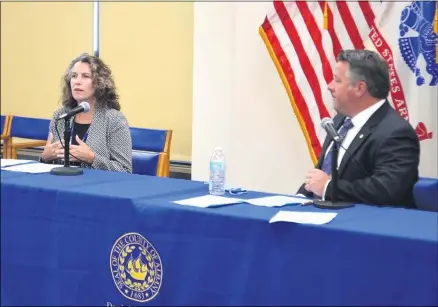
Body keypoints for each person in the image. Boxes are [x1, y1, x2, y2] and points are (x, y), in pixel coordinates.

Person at [297, 49, 420, 208]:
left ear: (360, 88)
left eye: (337, 80)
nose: (330, 86)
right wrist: (299, 198)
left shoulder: (396, 133)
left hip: (368, 226)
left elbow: (386, 190)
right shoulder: (339, 121)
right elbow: (322, 172)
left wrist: (328, 188)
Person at [40, 53, 132, 173]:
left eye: (85, 76)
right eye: (74, 76)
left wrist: (92, 158)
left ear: (99, 83)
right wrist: (44, 157)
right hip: (62, 184)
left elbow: (125, 170)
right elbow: (49, 165)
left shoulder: (114, 119)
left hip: (96, 187)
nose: (77, 82)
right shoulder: (61, 116)